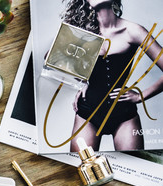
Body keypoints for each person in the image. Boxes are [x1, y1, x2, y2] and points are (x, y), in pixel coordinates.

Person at [63, 0, 163, 151]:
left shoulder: (134, 31)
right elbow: (52, 59)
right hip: (88, 113)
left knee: (133, 169)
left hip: (124, 115)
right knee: (79, 167)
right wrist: (83, 83)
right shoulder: (82, 33)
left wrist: (140, 96)